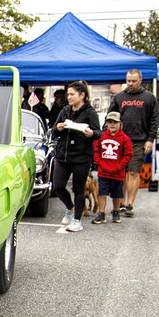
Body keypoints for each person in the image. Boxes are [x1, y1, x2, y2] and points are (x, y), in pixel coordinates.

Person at [51, 80, 102, 232]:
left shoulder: (90, 112)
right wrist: (58, 128)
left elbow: (98, 132)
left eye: (72, 94)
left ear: (82, 95)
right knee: (58, 186)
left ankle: (77, 220)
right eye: (68, 95)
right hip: (63, 154)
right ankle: (69, 207)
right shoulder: (65, 111)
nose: (69, 97)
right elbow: (53, 130)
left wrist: (91, 133)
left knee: (79, 189)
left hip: (81, 156)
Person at [107, 69, 159, 217]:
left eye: (134, 81)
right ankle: (121, 203)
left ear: (140, 81)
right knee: (120, 173)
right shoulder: (119, 97)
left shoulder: (149, 98)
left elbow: (154, 120)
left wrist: (150, 139)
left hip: (139, 141)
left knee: (134, 172)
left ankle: (130, 204)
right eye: (128, 81)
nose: (130, 84)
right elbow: (109, 117)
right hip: (120, 140)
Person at [91, 111, 133, 224]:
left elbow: (128, 154)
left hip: (117, 173)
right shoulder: (101, 136)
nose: (112, 124)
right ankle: (101, 213)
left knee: (116, 194)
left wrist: (120, 166)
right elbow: (96, 151)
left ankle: (116, 211)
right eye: (110, 122)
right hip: (103, 171)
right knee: (101, 193)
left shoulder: (124, 138)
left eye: (115, 122)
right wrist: (100, 163)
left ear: (120, 124)